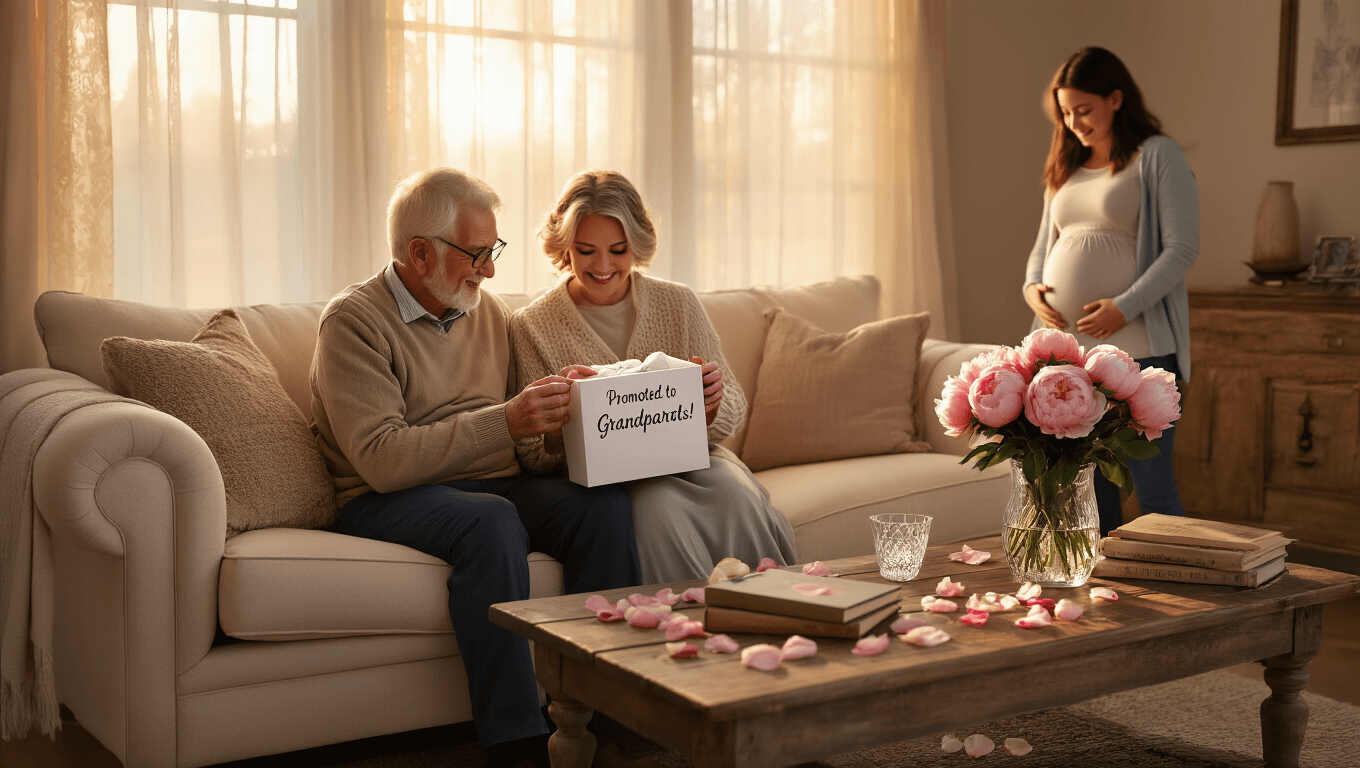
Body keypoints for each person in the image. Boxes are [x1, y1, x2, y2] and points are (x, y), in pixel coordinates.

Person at [309, 167, 642, 767]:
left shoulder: (485, 312)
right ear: (420, 253)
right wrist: (508, 420)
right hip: (385, 498)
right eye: (477, 254)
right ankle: (516, 743)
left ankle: (607, 716)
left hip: (495, 483)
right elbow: (382, 460)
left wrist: (561, 406)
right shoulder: (352, 323)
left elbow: (522, 436)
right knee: (490, 523)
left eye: (494, 251)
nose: (489, 271)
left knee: (602, 508)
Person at [509, 170, 797, 583]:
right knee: (657, 510)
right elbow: (533, 456)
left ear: (637, 245)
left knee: (734, 493)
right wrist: (559, 425)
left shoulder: (677, 302)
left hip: (698, 462)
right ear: (565, 248)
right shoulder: (532, 325)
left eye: (618, 250)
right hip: (614, 482)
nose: (603, 266)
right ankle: (688, 614)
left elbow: (733, 403)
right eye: (586, 251)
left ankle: (774, 603)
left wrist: (710, 405)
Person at [1022, 47, 1199, 535]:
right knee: (1090, 491)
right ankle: (1103, 582)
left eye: (1084, 110)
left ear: (1116, 99)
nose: (1074, 123)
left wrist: (1124, 307)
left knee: (1152, 486)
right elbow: (1041, 250)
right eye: (1066, 113)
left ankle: (1180, 582)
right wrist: (1033, 291)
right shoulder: (1066, 167)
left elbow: (1182, 249)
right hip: (1071, 355)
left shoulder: (1156, 155)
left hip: (1139, 350)